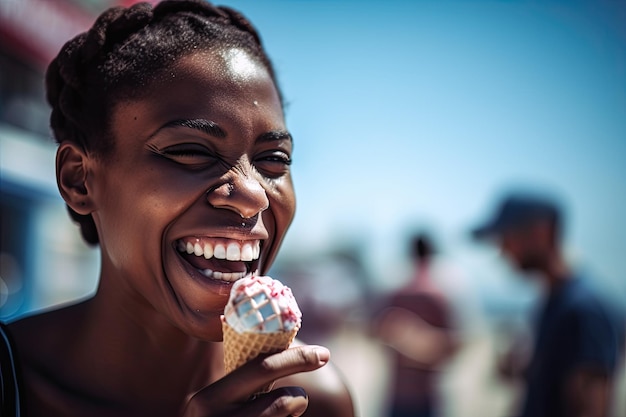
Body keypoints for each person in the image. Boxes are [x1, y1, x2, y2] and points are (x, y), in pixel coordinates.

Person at [0, 1, 355, 416]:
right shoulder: (13, 382)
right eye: (190, 151)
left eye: (273, 160)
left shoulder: (313, 402)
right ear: (80, 179)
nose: (253, 195)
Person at [471, 191, 624, 417]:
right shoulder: (551, 300)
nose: (502, 251)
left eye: (506, 238)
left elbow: (593, 407)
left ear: (541, 232)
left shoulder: (584, 309)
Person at [373, 232, 459, 417]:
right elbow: (453, 346)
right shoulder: (438, 295)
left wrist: (406, 340)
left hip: (398, 391)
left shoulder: (397, 294)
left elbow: (376, 333)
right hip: (426, 392)